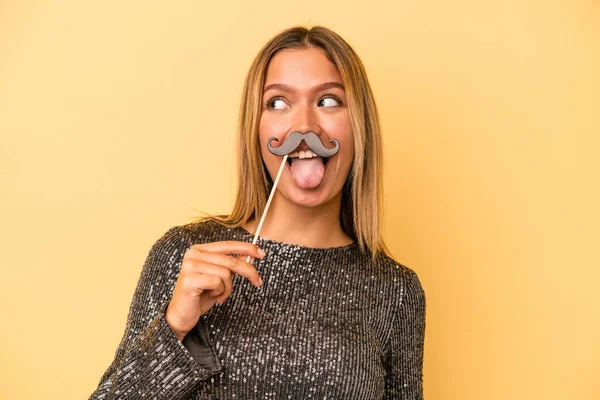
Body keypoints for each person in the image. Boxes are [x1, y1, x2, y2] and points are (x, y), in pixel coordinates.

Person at [89, 25, 426, 400]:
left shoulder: (395, 291)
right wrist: (175, 326)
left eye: (329, 100)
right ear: (256, 126)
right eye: (278, 103)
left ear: (359, 124)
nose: (304, 127)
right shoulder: (184, 256)